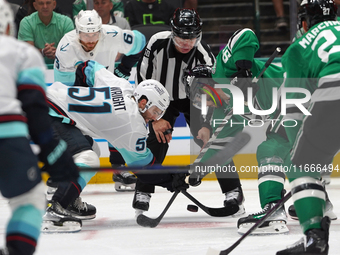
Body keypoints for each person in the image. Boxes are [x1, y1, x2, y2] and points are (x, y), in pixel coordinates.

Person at [133, 8, 235, 214]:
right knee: (156, 139)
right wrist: (153, 119)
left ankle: (233, 192)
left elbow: (210, 94)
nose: (186, 43)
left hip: (193, 100)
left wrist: (206, 125)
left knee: (213, 141)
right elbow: (142, 80)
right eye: (181, 38)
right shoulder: (156, 44)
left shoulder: (204, 55)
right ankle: (143, 191)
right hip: (161, 100)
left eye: (192, 38)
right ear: (172, 32)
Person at [45, 60, 172, 225]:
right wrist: (171, 179)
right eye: (155, 111)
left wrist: (80, 100)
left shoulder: (123, 86)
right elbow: (144, 169)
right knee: (88, 159)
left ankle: (67, 195)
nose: (155, 118)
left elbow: (86, 67)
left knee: (92, 148)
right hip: (49, 113)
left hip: (49, 100)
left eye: (159, 114)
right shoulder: (133, 125)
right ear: (143, 102)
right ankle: (57, 207)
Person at [0, 0, 80, 252]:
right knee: (28, 200)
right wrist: (55, 153)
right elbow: (35, 111)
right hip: (7, 136)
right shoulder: (21, 52)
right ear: (9, 25)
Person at [53, 9, 146, 194]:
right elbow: (63, 89)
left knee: (119, 120)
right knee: (78, 140)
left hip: (106, 87)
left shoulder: (112, 34)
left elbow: (140, 41)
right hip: (78, 93)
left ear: (100, 30)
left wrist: (124, 69)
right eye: (85, 35)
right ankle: (61, 175)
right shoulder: (65, 47)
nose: (90, 40)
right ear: (77, 31)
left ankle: (119, 168)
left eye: (94, 34)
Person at [276, 0, 339, 254]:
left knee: (300, 163)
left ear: (303, 21)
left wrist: (308, 165)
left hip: (335, 92)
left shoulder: (299, 47)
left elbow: (294, 111)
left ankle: (315, 238)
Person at [17, 0, 74, 65]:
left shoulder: (66, 22)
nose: (45, 6)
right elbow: (27, 53)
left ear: (54, 4)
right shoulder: (26, 23)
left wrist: (57, 54)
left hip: (62, 68)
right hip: (35, 68)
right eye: (41, 3)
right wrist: (43, 52)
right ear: (35, 6)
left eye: (48, 3)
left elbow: (70, 51)